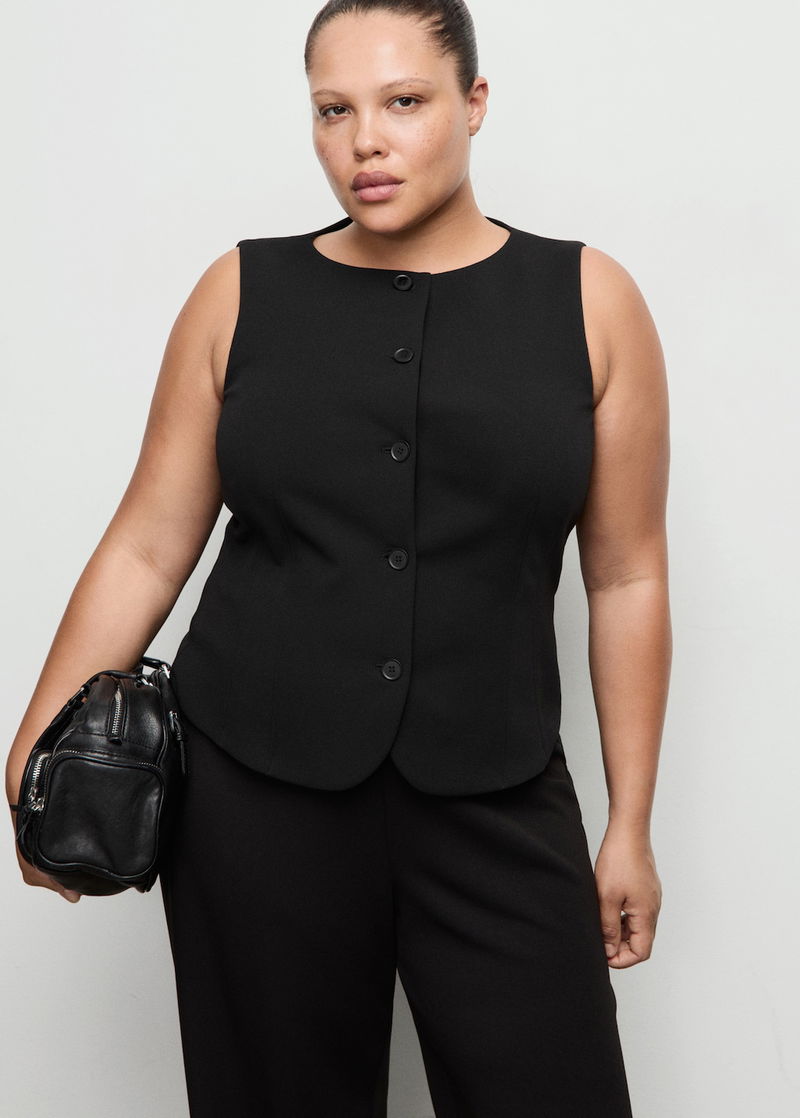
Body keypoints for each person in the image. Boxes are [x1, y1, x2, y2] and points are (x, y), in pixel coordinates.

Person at [7, 0, 669, 1114]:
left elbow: (627, 575)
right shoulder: (239, 292)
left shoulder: (589, 301)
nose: (366, 141)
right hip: (253, 796)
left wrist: (630, 826)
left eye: (403, 102)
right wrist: (37, 742)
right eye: (333, 110)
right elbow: (148, 542)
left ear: (473, 102)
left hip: (497, 787)